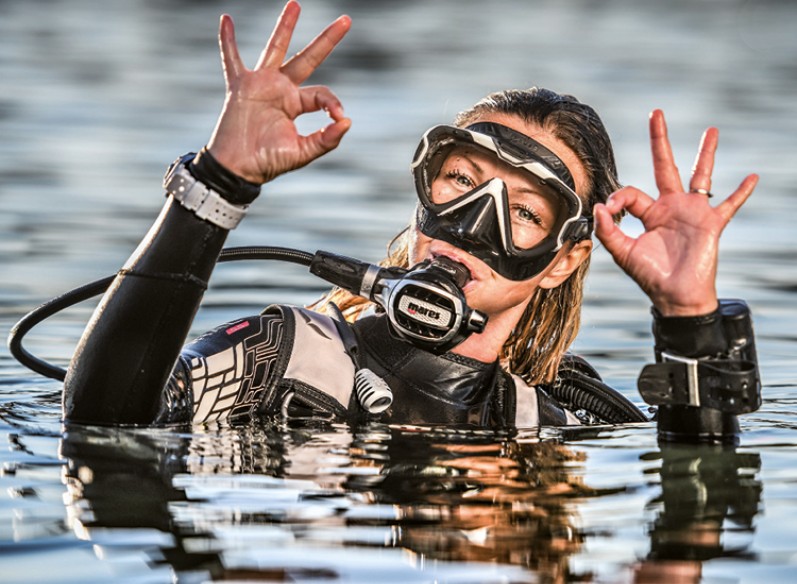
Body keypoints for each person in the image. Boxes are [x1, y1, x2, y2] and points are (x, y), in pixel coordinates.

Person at [62, 2, 760, 442]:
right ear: (425, 191)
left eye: (523, 212)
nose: (472, 225)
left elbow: (696, 517)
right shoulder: (283, 352)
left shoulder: (552, 420)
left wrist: (687, 319)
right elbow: (101, 425)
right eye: (460, 181)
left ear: (561, 259)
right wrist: (217, 184)